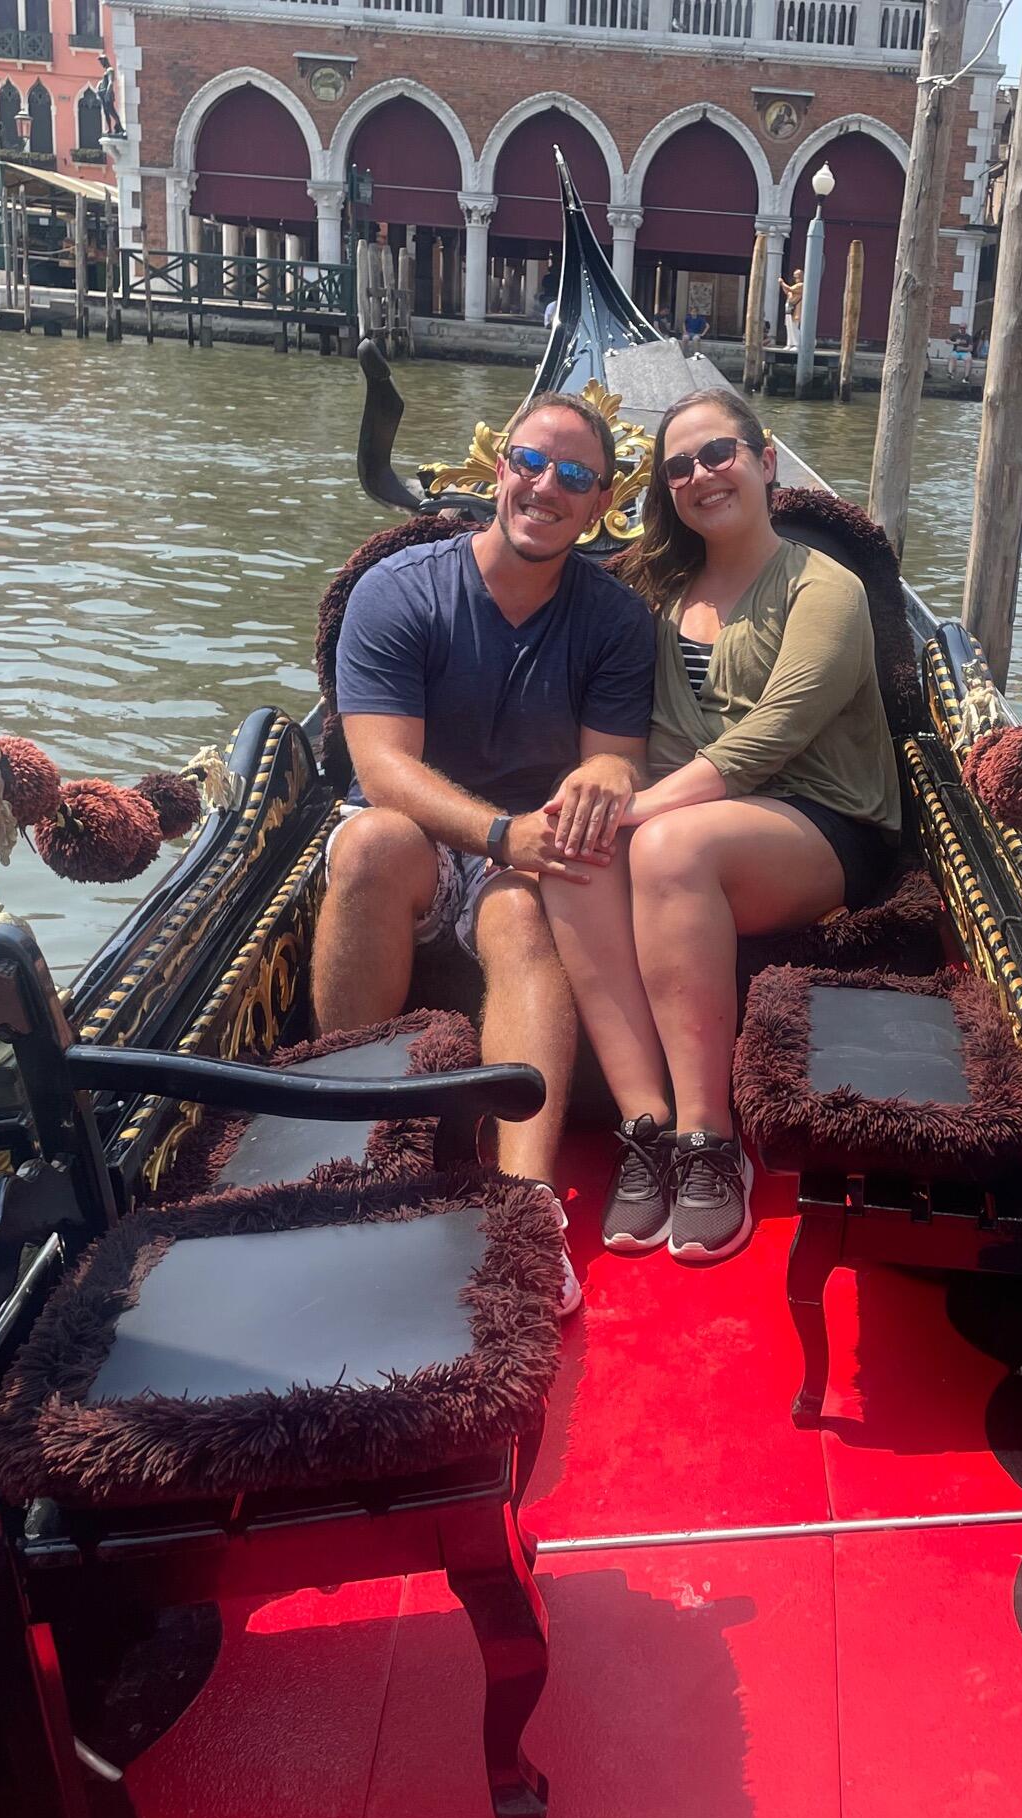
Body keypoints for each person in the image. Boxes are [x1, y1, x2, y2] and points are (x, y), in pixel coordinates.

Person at [314, 390, 658, 1309]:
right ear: (497, 468)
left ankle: (527, 1206)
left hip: (525, 852)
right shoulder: (397, 591)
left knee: (519, 910)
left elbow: (614, 762)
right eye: (532, 463)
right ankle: (350, 1148)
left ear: (600, 503)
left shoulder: (617, 621)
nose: (547, 486)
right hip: (426, 837)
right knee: (373, 845)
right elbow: (382, 769)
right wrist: (503, 831)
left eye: (575, 476)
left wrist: (606, 783)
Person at [543, 387, 900, 1264]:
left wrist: (637, 811)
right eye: (678, 467)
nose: (700, 475)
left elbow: (773, 733)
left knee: (659, 843)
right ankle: (647, 1124)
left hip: (824, 819)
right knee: (571, 858)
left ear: (763, 459)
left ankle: (711, 1142)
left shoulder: (827, 587)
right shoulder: (656, 593)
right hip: (689, 819)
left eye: (717, 454)